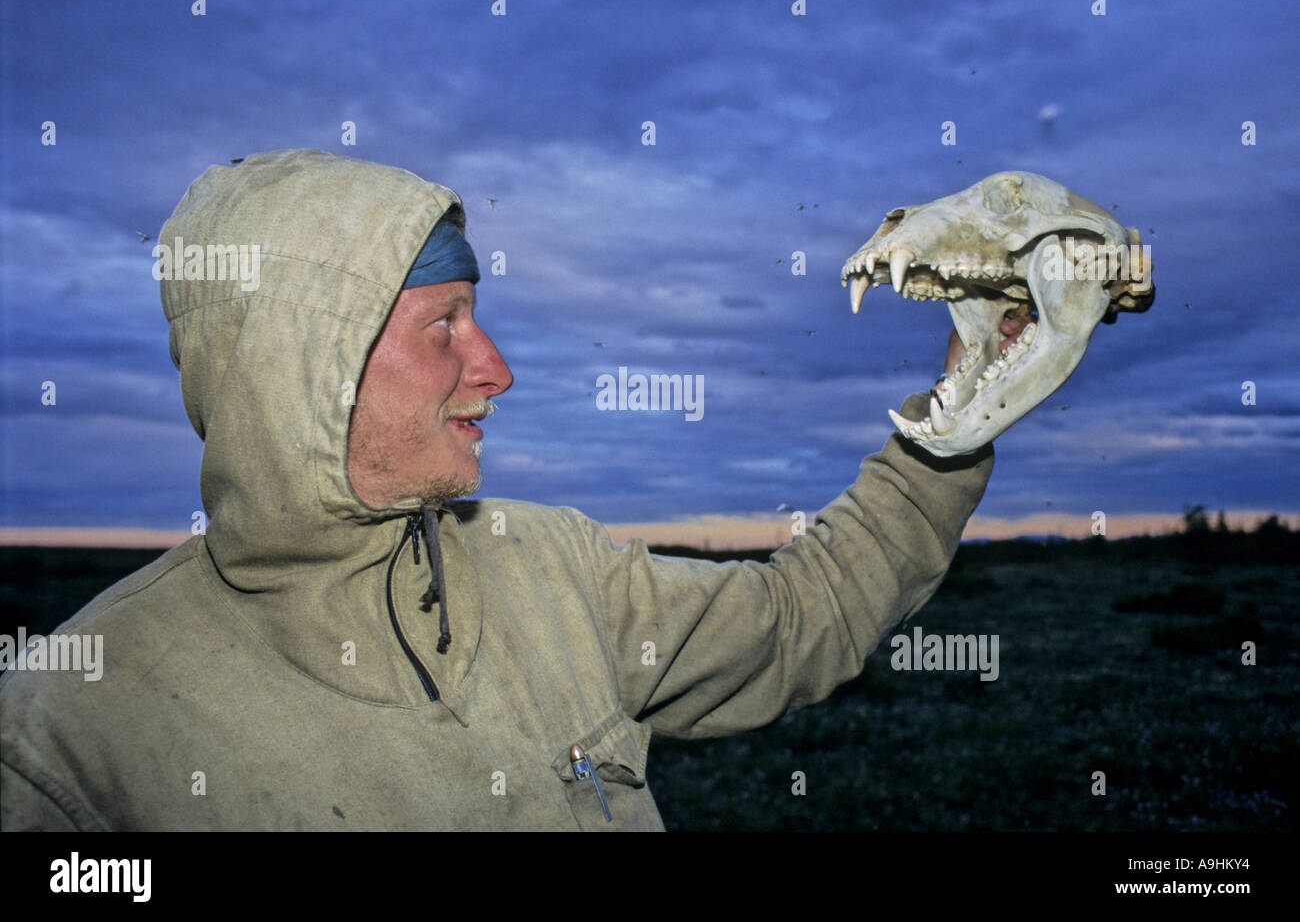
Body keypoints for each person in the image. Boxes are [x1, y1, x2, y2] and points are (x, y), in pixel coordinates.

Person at [0, 149, 1000, 830]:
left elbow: (796, 618)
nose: (497, 369)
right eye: (447, 323)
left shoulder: (550, 569)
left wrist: (960, 416)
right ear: (304, 366)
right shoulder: (74, 734)